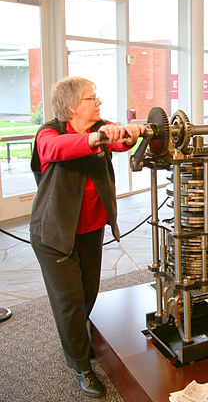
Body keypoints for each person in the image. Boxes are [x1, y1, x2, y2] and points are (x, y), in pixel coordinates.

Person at [29, 76, 144, 398]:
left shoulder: (103, 127)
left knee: (87, 292)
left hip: (90, 229)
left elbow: (119, 142)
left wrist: (131, 133)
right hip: (54, 234)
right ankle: (80, 364)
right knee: (69, 303)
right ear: (71, 106)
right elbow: (55, 149)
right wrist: (96, 137)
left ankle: (80, 341)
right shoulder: (49, 132)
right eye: (92, 98)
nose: (99, 102)